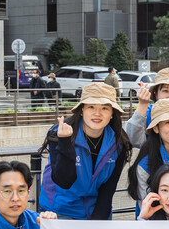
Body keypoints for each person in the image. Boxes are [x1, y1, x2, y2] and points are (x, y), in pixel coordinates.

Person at [38, 83, 132, 220]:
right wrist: (65, 142)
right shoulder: (59, 132)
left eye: (105, 108)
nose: (97, 113)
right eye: (91, 107)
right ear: (81, 110)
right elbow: (63, 181)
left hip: (95, 211)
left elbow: (108, 188)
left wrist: (97, 222)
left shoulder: (119, 141)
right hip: (58, 211)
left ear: (112, 113)